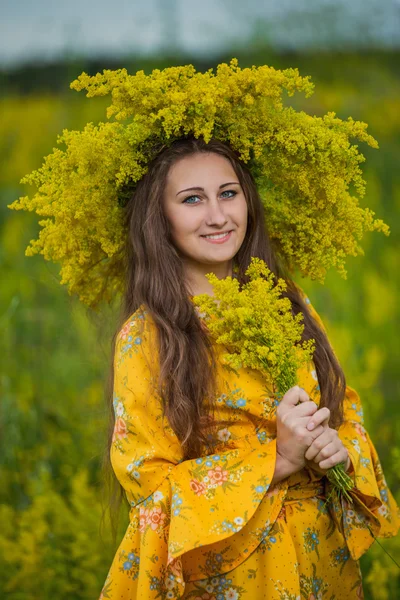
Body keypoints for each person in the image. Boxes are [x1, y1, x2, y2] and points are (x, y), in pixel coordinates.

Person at [98, 136, 399, 600]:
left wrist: (337, 447)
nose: (218, 215)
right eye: (192, 199)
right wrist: (278, 460)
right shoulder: (149, 335)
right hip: (234, 571)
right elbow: (151, 487)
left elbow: (343, 409)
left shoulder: (288, 302)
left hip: (321, 557)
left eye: (229, 192)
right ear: (159, 216)